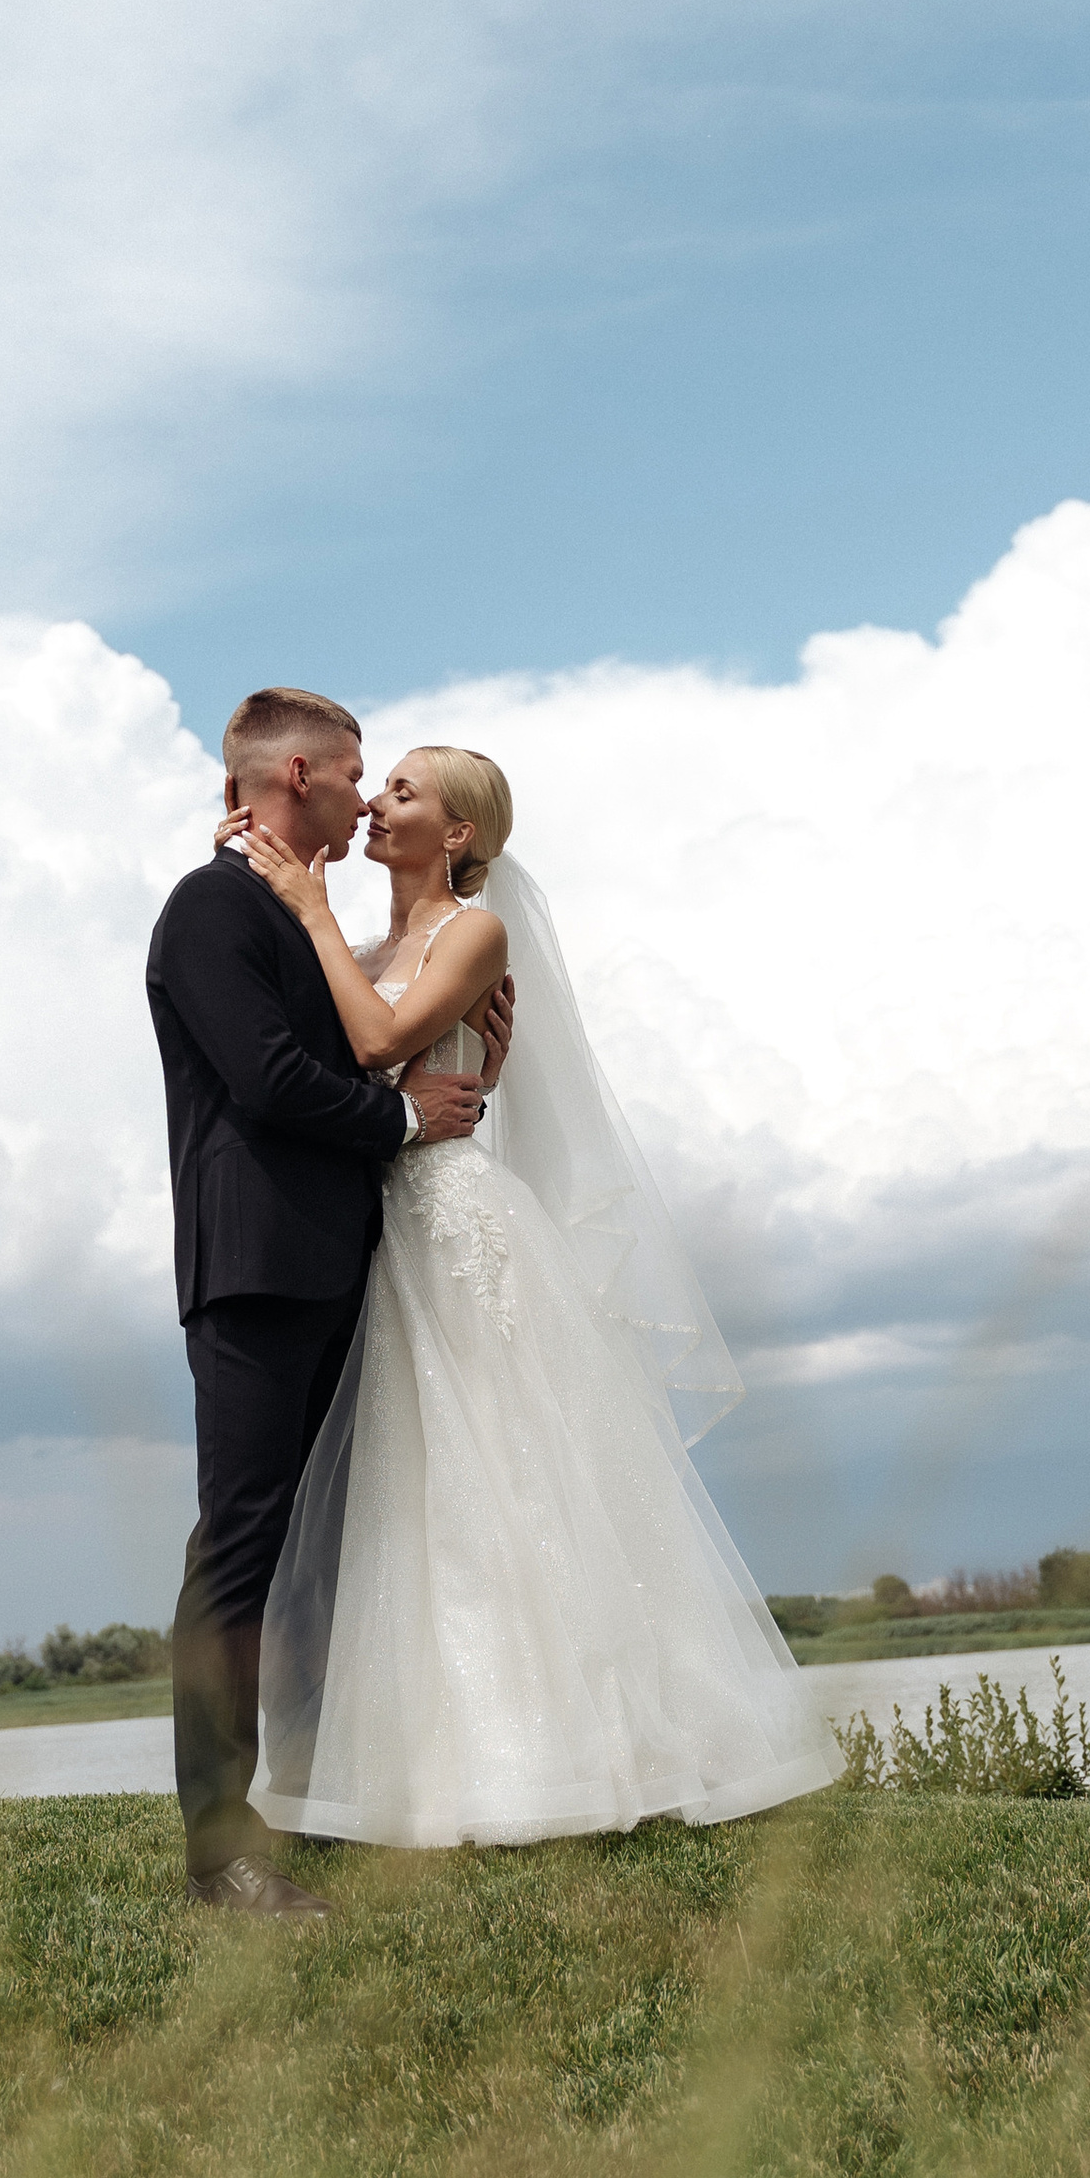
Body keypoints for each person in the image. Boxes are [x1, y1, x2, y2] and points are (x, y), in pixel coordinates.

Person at [231, 744, 829, 1847]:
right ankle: (446, 1765)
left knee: (511, 1471)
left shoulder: (475, 933)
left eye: (401, 791)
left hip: (458, 1226)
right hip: (384, 1232)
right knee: (417, 1494)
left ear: (456, 834)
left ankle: (588, 1749)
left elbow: (373, 1038)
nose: (374, 804)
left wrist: (311, 912)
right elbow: (331, 1075)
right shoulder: (369, 946)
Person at [145, 687, 511, 1917]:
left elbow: (360, 1030)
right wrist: (405, 1116)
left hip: (336, 1259)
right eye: (356, 776)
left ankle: (312, 1796)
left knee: (321, 1549)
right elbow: (268, 1080)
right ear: (297, 774)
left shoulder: (285, 910)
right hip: (254, 1267)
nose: (366, 800)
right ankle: (219, 1849)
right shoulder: (210, 909)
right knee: (240, 1547)